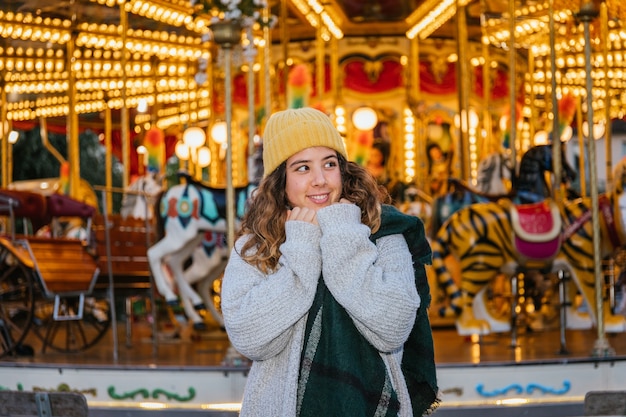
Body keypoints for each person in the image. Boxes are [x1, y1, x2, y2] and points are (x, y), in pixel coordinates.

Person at [221, 107, 439, 417]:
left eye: (329, 163)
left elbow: (391, 328)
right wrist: (301, 247)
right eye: (302, 168)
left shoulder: (386, 234)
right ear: (280, 180)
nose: (320, 180)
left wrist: (341, 231)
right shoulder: (255, 247)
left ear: (343, 169)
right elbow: (252, 338)